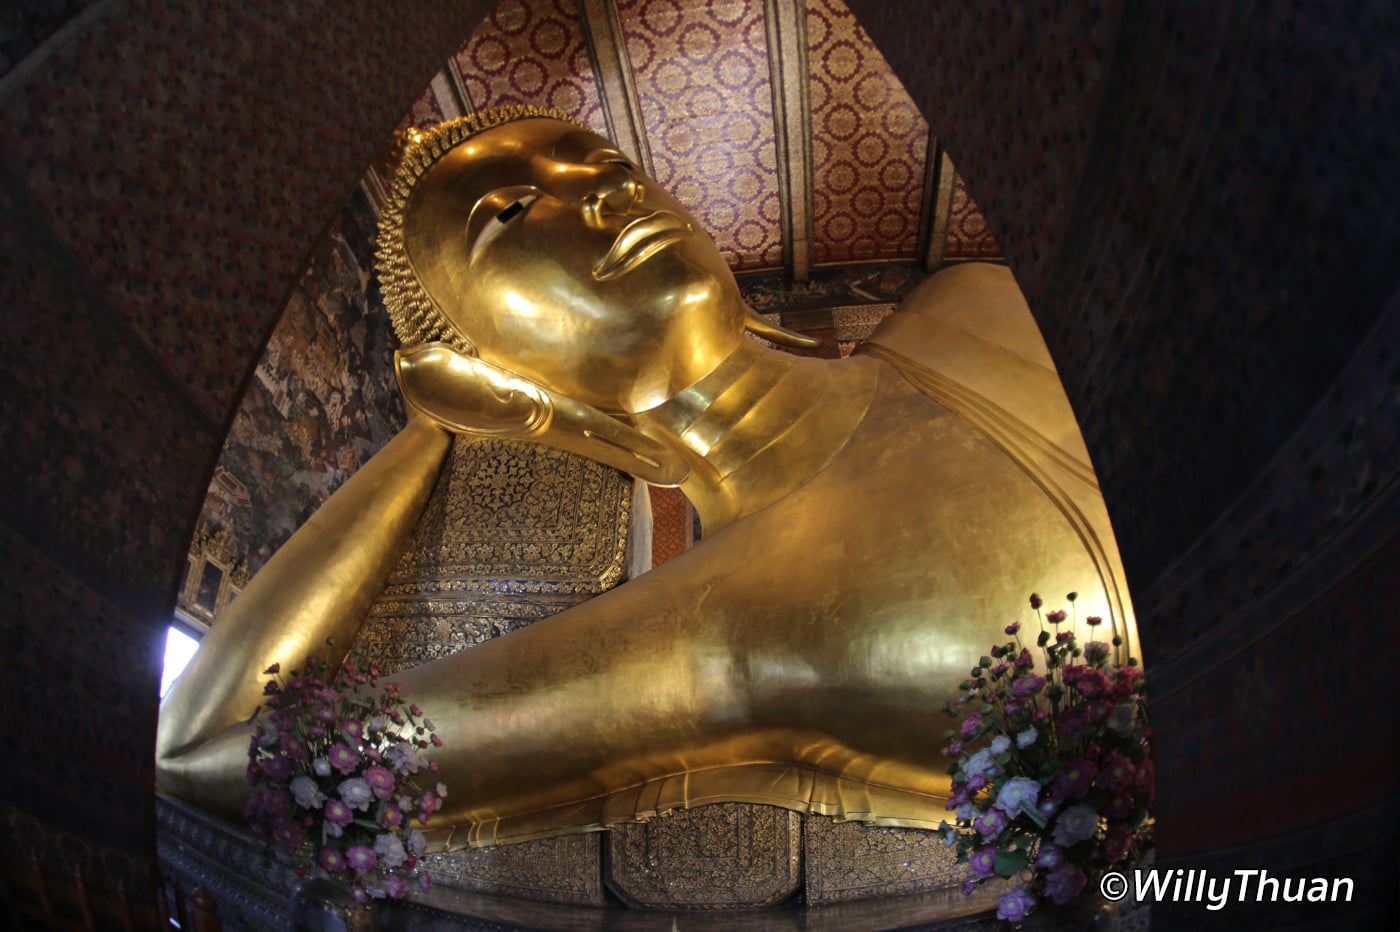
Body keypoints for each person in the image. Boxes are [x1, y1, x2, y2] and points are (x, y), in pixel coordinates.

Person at [157, 106, 1135, 849]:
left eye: (606, 163)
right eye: (507, 213)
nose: (600, 192)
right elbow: (197, 751)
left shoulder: (969, 299)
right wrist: (426, 433)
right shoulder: (733, 627)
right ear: (491, 377)